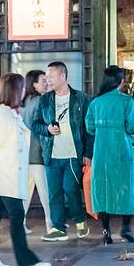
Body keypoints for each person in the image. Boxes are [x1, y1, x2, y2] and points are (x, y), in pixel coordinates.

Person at [0, 73, 50, 266]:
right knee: (16, 216)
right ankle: (26, 263)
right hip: (5, 176)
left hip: (6, 176)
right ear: (14, 91)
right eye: (21, 87)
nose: (24, 91)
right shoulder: (1, 115)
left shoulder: (8, 114)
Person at [31, 62, 92, 242]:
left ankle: (80, 220)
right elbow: (35, 124)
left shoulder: (81, 99)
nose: (48, 81)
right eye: (46, 77)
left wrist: (88, 153)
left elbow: (89, 129)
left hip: (73, 155)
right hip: (52, 155)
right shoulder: (44, 100)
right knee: (54, 193)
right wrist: (47, 129)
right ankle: (58, 228)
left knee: (70, 189)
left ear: (63, 76)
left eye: (51, 77)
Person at [85, 65, 134, 245]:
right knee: (126, 186)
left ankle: (106, 231)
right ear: (120, 81)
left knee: (102, 188)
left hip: (101, 151)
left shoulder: (95, 102)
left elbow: (89, 128)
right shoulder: (127, 101)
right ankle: (126, 228)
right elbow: (133, 127)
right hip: (121, 149)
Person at [20, 70, 51, 235]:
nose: (46, 83)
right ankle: (50, 223)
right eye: (43, 80)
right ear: (34, 84)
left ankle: (21, 223)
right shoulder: (40, 101)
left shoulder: (24, 102)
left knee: (27, 190)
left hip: (25, 153)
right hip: (37, 151)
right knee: (45, 191)